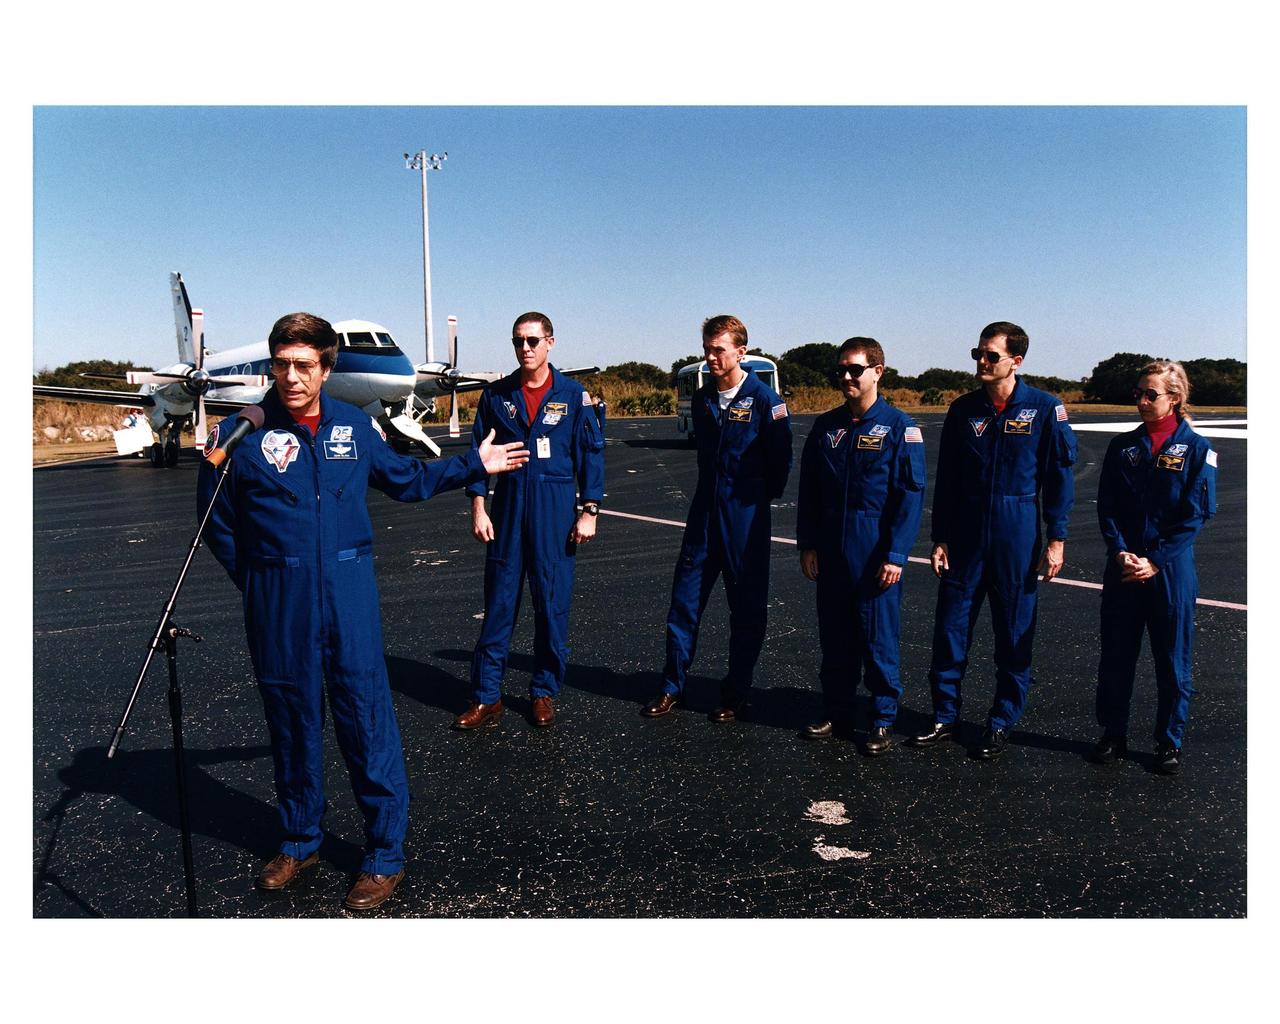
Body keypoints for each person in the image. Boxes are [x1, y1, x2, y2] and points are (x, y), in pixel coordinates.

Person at [197, 312, 528, 911]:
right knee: (292, 722)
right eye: (282, 364)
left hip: (348, 596)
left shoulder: (355, 425)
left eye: (305, 365)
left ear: (326, 369)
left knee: (365, 719)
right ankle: (300, 838)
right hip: (278, 601)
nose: (292, 377)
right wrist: (259, 580)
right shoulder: (238, 435)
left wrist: (476, 463)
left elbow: (406, 480)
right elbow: (214, 517)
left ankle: (383, 854)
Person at [909, 322, 1077, 759]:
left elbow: (1058, 480)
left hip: (1016, 532)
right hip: (965, 534)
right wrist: (940, 536)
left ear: (1016, 362)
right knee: (950, 630)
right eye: (977, 354)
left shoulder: (1044, 409)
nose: (981, 362)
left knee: (1013, 632)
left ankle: (1001, 722)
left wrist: (1056, 538)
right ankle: (945, 716)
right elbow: (946, 479)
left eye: (991, 356)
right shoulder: (963, 410)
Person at [454, 312, 606, 730]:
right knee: (499, 606)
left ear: (550, 343)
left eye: (533, 340)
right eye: (519, 340)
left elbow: (591, 454)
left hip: (555, 510)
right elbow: (478, 455)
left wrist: (589, 509)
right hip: (508, 507)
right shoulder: (495, 396)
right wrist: (479, 506)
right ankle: (487, 697)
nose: (526, 348)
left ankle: (543, 692)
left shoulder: (573, 396)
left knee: (551, 607)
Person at [643, 315, 792, 722]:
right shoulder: (703, 399)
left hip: (745, 519)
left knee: (746, 610)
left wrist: (753, 501)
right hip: (703, 517)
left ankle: (735, 693)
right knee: (684, 604)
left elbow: (780, 463)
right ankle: (672, 686)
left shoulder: (766, 402)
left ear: (740, 352)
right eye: (706, 350)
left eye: (718, 350)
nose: (710, 358)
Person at [796, 338, 925, 753]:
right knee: (835, 636)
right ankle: (836, 711)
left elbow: (909, 496)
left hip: (874, 548)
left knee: (878, 637)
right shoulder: (826, 426)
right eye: (841, 371)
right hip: (832, 546)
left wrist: (896, 554)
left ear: (878, 371)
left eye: (855, 369)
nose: (847, 377)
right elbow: (810, 491)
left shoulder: (901, 427)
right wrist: (809, 544)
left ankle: (884, 718)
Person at [1090, 361, 1216, 774]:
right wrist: (1120, 551)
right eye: (1138, 394)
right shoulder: (1121, 447)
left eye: (1151, 395)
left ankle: (1169, 741)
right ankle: (1113, 734)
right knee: (1116, 656)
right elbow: (1107, 507)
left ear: (1174, 398)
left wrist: (1155, 560)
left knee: (1172, 660)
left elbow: (1196, 516)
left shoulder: (1198, 450)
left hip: (1170, 571)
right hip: (1125, 567)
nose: (1142, 402)